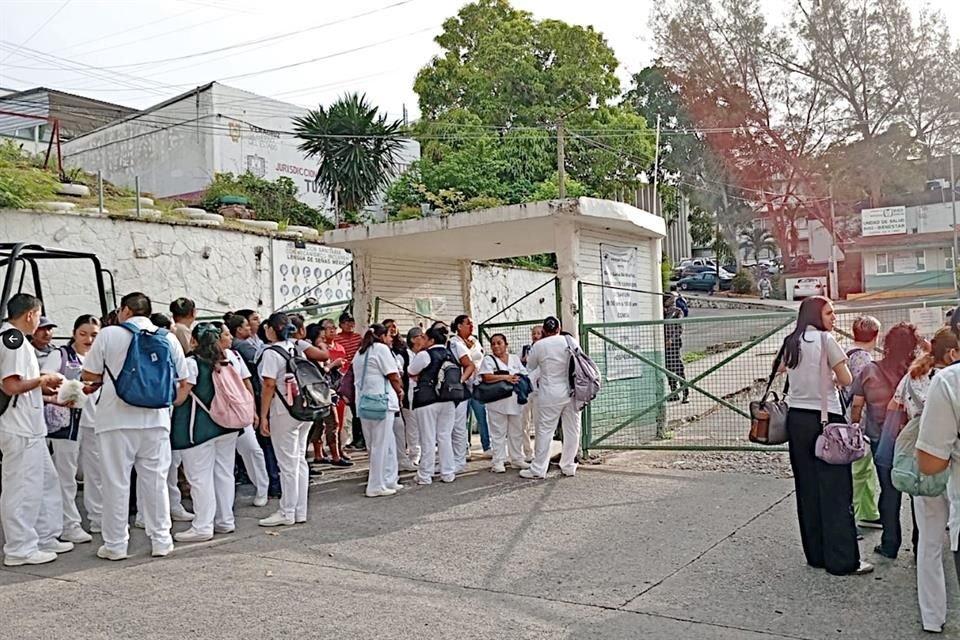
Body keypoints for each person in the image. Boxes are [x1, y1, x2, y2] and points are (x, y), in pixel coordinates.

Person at [82, 291, 190, 561]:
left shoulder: (109, 334)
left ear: (126, 310)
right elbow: (183, 379)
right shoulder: (168, 338)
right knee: (155, 481)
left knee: (116, 482)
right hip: (156, 419)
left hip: (115, 420)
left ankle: (116, 545)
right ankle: (161, 540)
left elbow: (89, 374)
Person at [780, 296, 870, 576]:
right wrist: (829, 376)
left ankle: (816, 554)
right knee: (836, 491)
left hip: (797, 420)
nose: (834, 317)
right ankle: (842, 560)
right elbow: (846, 380)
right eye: (830, 312)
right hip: (825, 420)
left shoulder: (791, 341)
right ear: (816, 316)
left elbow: (782, 370)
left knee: (807, 489)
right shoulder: (826, 340)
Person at [889, 327, 959, 634]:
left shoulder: (915, 375)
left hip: (924, 459)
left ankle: (932, 616)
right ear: (952, 353)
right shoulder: (948, 381)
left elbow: (896, 407)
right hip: (950, 462)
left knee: (929, 544)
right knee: (947, 537)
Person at [0, 294, 69, 567]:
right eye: (39, 316)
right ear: (30, 314)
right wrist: (44, 379)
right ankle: (20, 547)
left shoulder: (16, 340)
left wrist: (42, 388)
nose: (39, 322)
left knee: (45, 483)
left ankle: (44, 535)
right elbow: (11, 385)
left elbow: (21, 385)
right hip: (19, 427)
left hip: (30, 426)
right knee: (22, 487)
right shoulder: (13, 340)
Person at [850, 322, 920, 560]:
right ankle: (920, 543)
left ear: (886, 344)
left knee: (889, 493)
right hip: (913, 439)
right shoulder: (917, 371)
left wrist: (855, 427)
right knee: (917, 493)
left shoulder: (870, 370)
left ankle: (890, 544)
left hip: (883, 439)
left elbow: (857, 405)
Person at [170, 323, 241, 543]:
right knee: (224, 473)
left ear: (194, 341)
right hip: (227, 425)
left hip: (198, 429)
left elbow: (180, 398)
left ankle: (202, 526)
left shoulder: (192, 364)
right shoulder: (227, 361)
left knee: (200, 478)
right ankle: (225, 520)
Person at [43, 314, 101, 545]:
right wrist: (69, 389)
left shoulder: (101, 358)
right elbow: (45, 381)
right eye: (83, 334)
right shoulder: (61, 355)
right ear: (74, 333)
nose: (88, 339)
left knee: (96, 473)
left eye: (94, 335)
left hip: (95, 422)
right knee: (65, 474)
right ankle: (69, 524)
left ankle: (98, 516)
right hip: (66, 422)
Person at [257, 312, 311, 527]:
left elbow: (268, 385)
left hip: (283, 411)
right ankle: (300, 510)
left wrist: (263, 415)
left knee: (287, 464)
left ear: (271, 328)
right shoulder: (296, 347)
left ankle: (286, 511)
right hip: (303, 410)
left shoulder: (271, 353)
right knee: (299, 461)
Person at [522, 316, 581, 480]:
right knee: (572, 430)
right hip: (572, 392)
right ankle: (568, 465)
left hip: (550, 394)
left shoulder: (539, 346)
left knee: (545, 431)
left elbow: (531, 367)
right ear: (558, 328)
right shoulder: (570, 341)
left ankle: (538, 469)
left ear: (544, 331)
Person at [228, 313, 280, 499]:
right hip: (250, 401)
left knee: (260, 446)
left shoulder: (244, 347)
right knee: (262, 445)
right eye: (248, 324)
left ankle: (269, 484)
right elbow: (257, 367)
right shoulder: (240, 346)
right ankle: (271, 483)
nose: (251, 327)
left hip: (251, 400)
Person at [353, 323, 404, 497]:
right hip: (381, 401)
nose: (391, 339)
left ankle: (388, 480)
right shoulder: (381, 349)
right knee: (381, 445)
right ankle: (376, 485)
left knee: (378, 444)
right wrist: (400, 391)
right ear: (382, 336)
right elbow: (393, 375)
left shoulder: (360, 353)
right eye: (389, 335)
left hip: (364, 402)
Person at [845, 316, 882, 535]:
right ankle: (857, 515)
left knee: (864, 468)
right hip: (859, 421)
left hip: (851, 419)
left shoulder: (849, 353)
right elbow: (865, 394)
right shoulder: (864, 360)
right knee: (859, 470)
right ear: (876, 335)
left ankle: (868, 511)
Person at [408, 327, 458, 485]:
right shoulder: (451, 354)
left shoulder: (425, 354)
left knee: (428, 438)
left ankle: (425, 475)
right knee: (444, 436)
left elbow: (411, 370)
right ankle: (448, 472)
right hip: (448, 399)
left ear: (431, 340)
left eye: (425, 338)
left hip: (427, 399)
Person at [479, 333, 529, 473]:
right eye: (493, 343)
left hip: (515, 401)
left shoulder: (514, 358)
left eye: (499, 343)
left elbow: (523, 373)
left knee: (516, 431)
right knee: (498, 433)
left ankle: (517, 458)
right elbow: (487, 377)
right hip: (496, 402)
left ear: (506, 345)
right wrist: (506, 377)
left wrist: (515, 378)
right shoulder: (488, 360)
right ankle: (498, 461)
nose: (496, 346)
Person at [310, 319, 351, 467]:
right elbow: (322, 370)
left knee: (326, 424)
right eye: (321, 337)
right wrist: (333, 364)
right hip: (322, 392)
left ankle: (323, 454)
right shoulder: (313, 352)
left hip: (326, 390)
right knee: (330, 423)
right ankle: (333, 455)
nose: (323, 340)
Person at [449, 315, 484, 469]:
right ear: (458, 326)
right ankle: (463, 450)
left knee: (482, 415)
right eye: (468, 323)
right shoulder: (455, 343)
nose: (471, 326)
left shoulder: (475, 341)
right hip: (462, 388)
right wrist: (461, 381)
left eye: (472, 323)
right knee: (460, 422)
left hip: (477, 384)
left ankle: (486, 445)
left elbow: (477, 361)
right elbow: (467, 364)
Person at [385, 319, 419, 471]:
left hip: (414, 394)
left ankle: (412, 455)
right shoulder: (399, 353)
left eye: (394, 327)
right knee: (406, 426)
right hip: (402, 396)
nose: (392, 330)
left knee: (412, 426)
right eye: (388, 328)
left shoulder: (402, 348)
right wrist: (401, 390)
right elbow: (398, 374)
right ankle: (408, 456)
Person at [337, 311, 365, 451]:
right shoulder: (337, 339)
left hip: (356, 374)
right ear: (341, 324)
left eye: (351, 322)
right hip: (342, 375)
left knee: (357, 407)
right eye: (346, 322)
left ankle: (359, 438)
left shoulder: (358, 338)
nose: (349, 325)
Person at [519, 324, 542, 462]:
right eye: (534, 333)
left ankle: (540, 453)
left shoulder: (546, 349)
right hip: (526, 390)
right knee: (524, 422)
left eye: (539, 333)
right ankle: (528, 452)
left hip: (540, 391)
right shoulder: (525, 349)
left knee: (539, 423)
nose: (535, 335)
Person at [663, 294, 689, 404]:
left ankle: (685, 392)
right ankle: (674, 392)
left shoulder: (677, 312)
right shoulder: (662, 312)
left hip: (674, 344)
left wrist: (671, 339)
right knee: (668, 369)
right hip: (664, 345)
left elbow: (679, 329)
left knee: (678, 368)